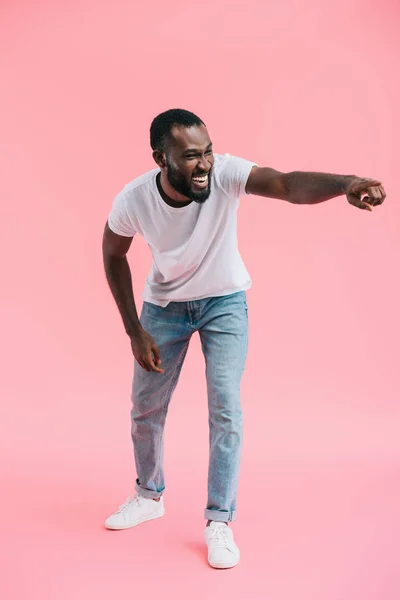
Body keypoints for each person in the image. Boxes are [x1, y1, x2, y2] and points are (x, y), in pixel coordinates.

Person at [102, 108, 386, 569]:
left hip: (224, 304)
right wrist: (135, 329)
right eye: (191, 156)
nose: (206, 164)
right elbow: (113, 253)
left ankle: (219, 520)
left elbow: (287, 184)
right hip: (164, 310)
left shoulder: (227, 173)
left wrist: (346, 182)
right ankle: (148, 496)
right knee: (145, 408)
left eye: (208, 151)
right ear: (161, 158)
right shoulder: (134, 199)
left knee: (226, 407)